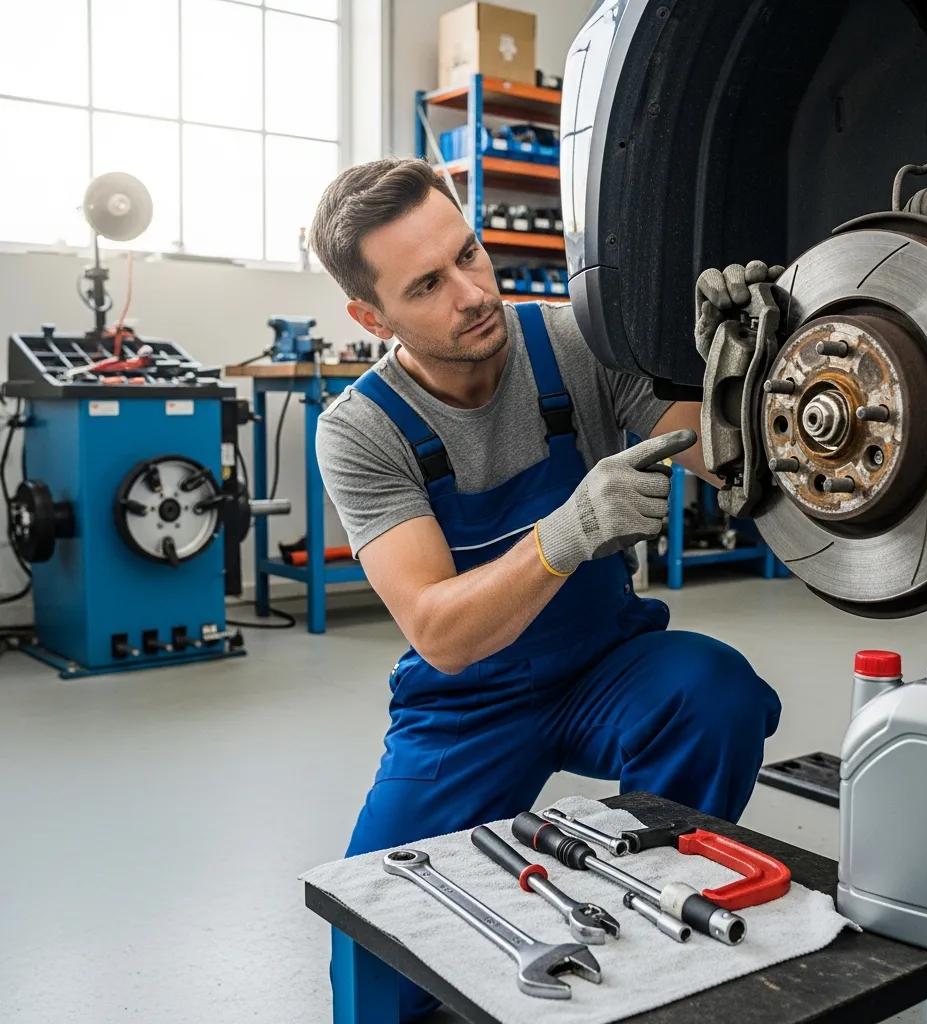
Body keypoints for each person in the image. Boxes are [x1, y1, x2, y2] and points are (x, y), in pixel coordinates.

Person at [311, 157, 781, 1021]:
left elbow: (727, 459)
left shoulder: (575, 342)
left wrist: (737, 364)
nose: (471, 292)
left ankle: (655, 921)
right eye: (427, 285)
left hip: (607, 665)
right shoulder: (360, 431)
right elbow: (440, 634)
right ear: (370, 315)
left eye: (470, 254)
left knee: (715, 692)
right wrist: (568, 532)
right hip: (469, 704)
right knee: (374, 937)